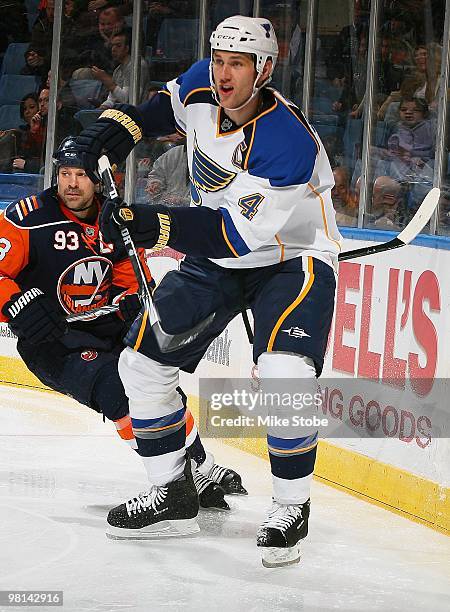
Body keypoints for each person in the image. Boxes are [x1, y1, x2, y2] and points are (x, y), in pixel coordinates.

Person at [76, 15, 341, 567]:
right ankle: (172, 491)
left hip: (292, 258)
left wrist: (153, 222)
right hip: (217, 255)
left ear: (263, 70)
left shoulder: (285, 140)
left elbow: (236, 237)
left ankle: (292, 505)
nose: (223, 74)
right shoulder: (200, 82)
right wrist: (110, 130)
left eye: (237, 64)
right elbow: (152, 113)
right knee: (141, 363)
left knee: (285, 375)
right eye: (219, 60)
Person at [0, 137, 245, 512]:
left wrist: (131, 302)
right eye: (65, 174)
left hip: (107, 329)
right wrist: (14, 302)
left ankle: (202, 467)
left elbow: (132, 279)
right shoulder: (26, 217)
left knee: (158, 392)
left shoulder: (113, 220)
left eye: (80, 174)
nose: (71, 183)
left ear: (97, 179)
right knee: (119, 394)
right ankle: (175, 485)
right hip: (56, 340)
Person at [93, 29, 150, 108]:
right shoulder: (118, 70)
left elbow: (128, 101)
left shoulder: (137, 66)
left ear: (127, 48)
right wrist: (103, 107)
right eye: (112, 45)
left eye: (118, 46)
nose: (113, 49)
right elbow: (111, 100)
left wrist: (108, 82)